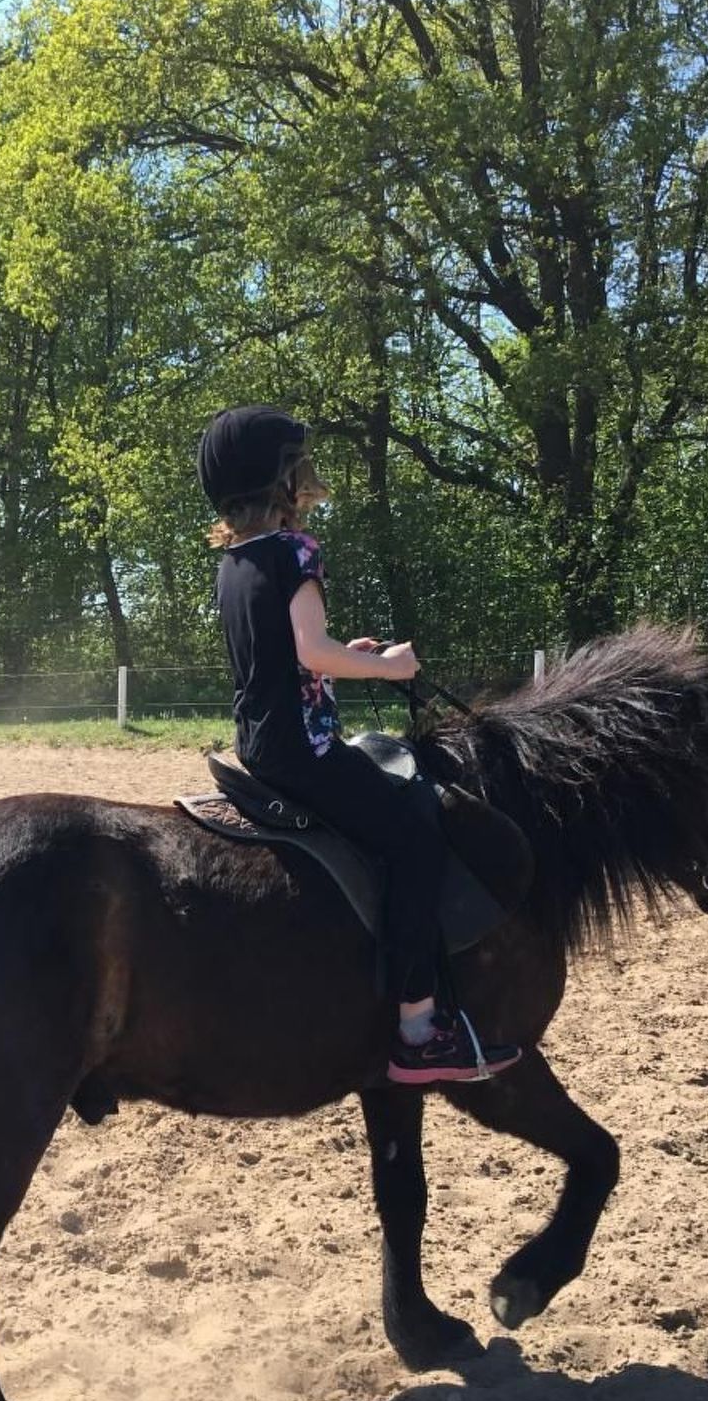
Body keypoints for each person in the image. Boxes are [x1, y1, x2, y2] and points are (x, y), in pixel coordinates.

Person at [201, 405, 522, 1085]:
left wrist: (348, 653)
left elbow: (285, 657)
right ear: (281, 481)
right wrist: (388, 667)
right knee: (414, 842)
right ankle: (417, 1029)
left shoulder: (233, 562)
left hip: (260, 745)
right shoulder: (296, 551)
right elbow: (310, 652)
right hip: (307, 750)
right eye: (299, 468)